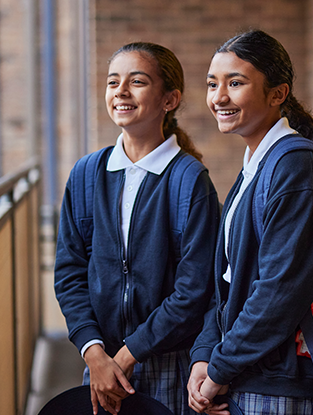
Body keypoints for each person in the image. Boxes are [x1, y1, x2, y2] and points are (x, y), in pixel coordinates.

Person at [54, 42, 220, 415]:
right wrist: (94, 352)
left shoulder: (189, 180)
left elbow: (194, 291)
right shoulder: (85, 174)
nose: (121, 92)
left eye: (137, 81)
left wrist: (129, 354)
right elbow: (69, 273)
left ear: (169, 99)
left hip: (168, 361)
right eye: (114, 82)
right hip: (101, 362)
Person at [186, 30, 313, 415]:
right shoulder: (257, 167)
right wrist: (204, 354)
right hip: (249, 374)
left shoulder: (294, 166)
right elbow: (227, 283)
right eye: (212, 84)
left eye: (235, 83)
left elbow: (280, 290)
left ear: (278, 94)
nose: (219, 97)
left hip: (283, 386)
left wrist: (219, 368)